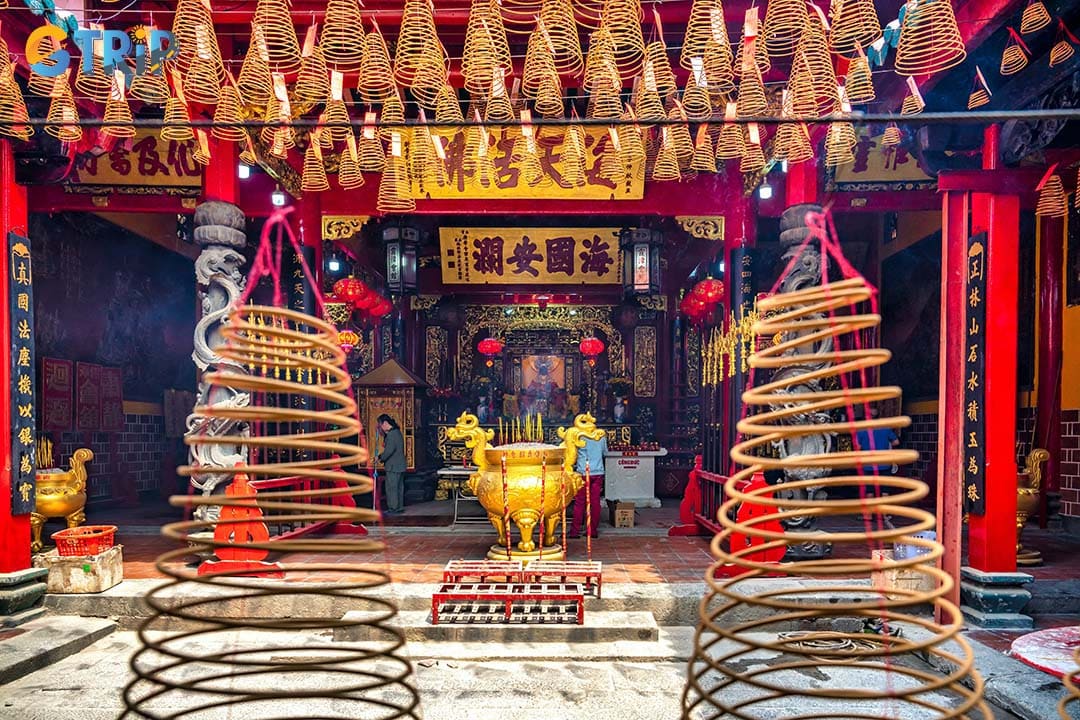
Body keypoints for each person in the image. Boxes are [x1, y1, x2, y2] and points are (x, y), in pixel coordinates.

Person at [569, 433, 608, 538]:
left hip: (583, 473)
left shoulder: (578, 436)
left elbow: (573, 454)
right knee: (595, 502)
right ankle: (592, 531)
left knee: (580, 502)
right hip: (598, 473)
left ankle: (574, 532)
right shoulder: (601, 436)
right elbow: (605, 452)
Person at [855, 406, 899, 475]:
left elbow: (857, 448)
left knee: (869, 485)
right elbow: (896, 442)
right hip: (885, 465)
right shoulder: (885, 427)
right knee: (884, 485)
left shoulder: (861, 430)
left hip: (868, 466)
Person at [377, 414, 406, 514]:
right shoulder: (397, 432)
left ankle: (393, 508)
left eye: (380, 425)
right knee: (399, 487)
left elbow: (389, 451)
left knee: (391, 488)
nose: (380, 427)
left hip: (393, 466)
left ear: (385, 423)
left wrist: (380, 457)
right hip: (400, 465)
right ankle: (399, 507)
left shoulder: (391, 435)